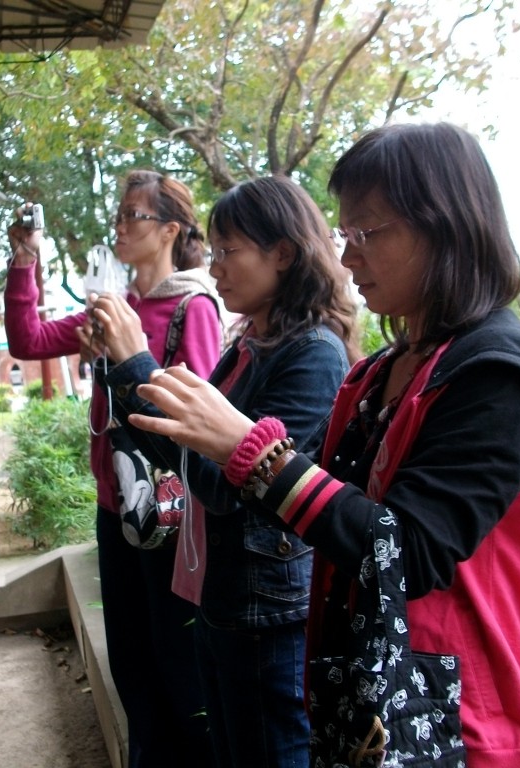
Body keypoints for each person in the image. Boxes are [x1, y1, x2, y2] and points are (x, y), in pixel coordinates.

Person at [125, 123, 520, 767]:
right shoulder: (381, 373)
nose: (347, 258)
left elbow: (408, 551)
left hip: (462, 728)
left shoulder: (500, 378)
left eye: (367, 233)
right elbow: (316, 510)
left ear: (444, 225)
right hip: (369, 707)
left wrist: (249, 451)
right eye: (345, 235)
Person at [89, 175, 360, 767]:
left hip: (267, 613)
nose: (214, 270)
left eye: (228, 251)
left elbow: (224, 485)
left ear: (282, 253)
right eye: (212, 253)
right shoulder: (249, 346)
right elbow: (182, 449)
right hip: (224, 598)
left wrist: (137, 362)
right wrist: (123, 368)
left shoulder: (314, 354)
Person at [3, 170, 222, 767]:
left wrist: (132, 357)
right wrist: (25, 260)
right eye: (119, 215)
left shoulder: (193, 307)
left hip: (171, 515)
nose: (120, 226)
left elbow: (200, 414)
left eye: (134, 215)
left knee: (177, 666)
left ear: (170, 230)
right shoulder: (114, 309)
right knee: (130, 662)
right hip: (115, 507)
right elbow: (28, 340)